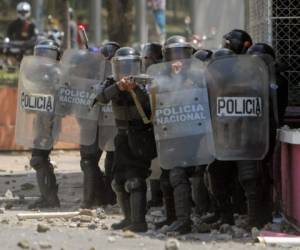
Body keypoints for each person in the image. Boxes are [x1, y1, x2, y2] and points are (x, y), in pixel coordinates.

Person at [94, 47, 157, 232]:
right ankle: (128, 218)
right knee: (118, 181)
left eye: (129, 66)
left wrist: (134, 88)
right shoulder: (111, 82)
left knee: (135, 180)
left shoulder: (145, 82)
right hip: (121, 136)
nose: (126, 70)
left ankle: (139, 222)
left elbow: (148, 104)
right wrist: (118, 87)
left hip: (141, 135)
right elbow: (100, 98)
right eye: (122, 66)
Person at [80, 41, 120, 209]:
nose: (108, 61)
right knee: (88, 162)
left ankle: (108, 198)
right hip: (94, 123)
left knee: (113, 161)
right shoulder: (89, 72)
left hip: (114, 123)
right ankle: (92, 199)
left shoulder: (124, 74)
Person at [28, 39, 61, 209]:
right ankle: (48, 196)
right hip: (41, 120)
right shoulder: (39, 73)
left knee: (38, 159)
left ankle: (50, 199)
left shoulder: (55, 73)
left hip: (50, 121)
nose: (41, 57)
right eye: (39, 53)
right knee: (40, 159)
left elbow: (60, 100)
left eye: (45, 54)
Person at [141, 42, 164, 209]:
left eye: (147, 57)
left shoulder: (163, 75)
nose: (145, 61)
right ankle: (156, 198)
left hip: (166, 125)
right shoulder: (146, 77)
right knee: (154, 164)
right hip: (152, 125)